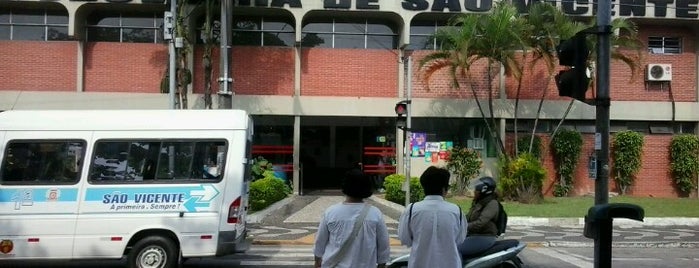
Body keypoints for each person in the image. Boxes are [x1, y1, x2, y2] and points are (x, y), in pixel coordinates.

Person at [313, 169, 390, 268]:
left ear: (345, 186)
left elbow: (319, 243)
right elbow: (384, 247)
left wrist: (317, 262)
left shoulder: (331, 213)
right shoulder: (375, 214)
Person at [397, 166, 467, 268]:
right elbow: (460, 239)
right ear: (444, 189)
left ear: (424, 187)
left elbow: (405, 239)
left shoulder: (412, 210)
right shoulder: (457, 211)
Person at [458, 176, 501, 257]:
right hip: (473, 235)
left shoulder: (492, 203)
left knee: (456, 249)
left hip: (485, 237)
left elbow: (480, 223)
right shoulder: (478, 202)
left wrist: (463, 226)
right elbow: (468, 217)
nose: (474, 191)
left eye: (477, 189)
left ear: (484, 190)